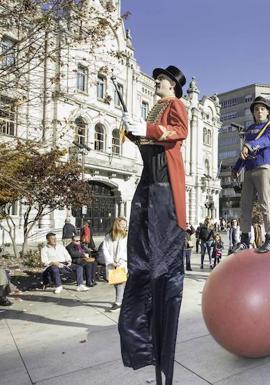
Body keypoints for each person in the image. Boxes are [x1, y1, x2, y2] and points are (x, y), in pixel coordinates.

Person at [119, 65, 189, 385]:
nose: (157, 81)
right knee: (140, 265)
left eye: (161, 78)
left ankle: (161, 356)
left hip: (163, 187)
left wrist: (146, 128)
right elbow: (149, 146)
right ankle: (143, 347)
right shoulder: (158, 107)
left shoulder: (175, 105)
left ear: (172, 85)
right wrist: (134, 132)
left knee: (163, 271)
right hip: (148, 183)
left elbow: (179, 131)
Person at [231, 96, 270, 253]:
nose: (259, 111)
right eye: (256, 109)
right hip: (249, 170)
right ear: (253, 112)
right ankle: (245, 239)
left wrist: (250, 145)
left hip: (263, 167)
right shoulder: (249, 130)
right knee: (245, 205)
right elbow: (244, 153)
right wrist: (237, 168)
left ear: (267, 112)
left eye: (262, 108)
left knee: (265, 203)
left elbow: (267, 140)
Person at [102, 217, 128, 311]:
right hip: (111, 263)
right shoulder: (109, 236)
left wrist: (120, 261)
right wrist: (111, 261)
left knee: (120, 282)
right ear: (117, 225)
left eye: (125, 225)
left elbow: (127, 250)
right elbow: (105, 249)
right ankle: (121, 300)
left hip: (122, 263)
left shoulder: (126, 236)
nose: (124, 227)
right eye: (122, 225)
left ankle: (118, 303)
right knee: (115, 282)